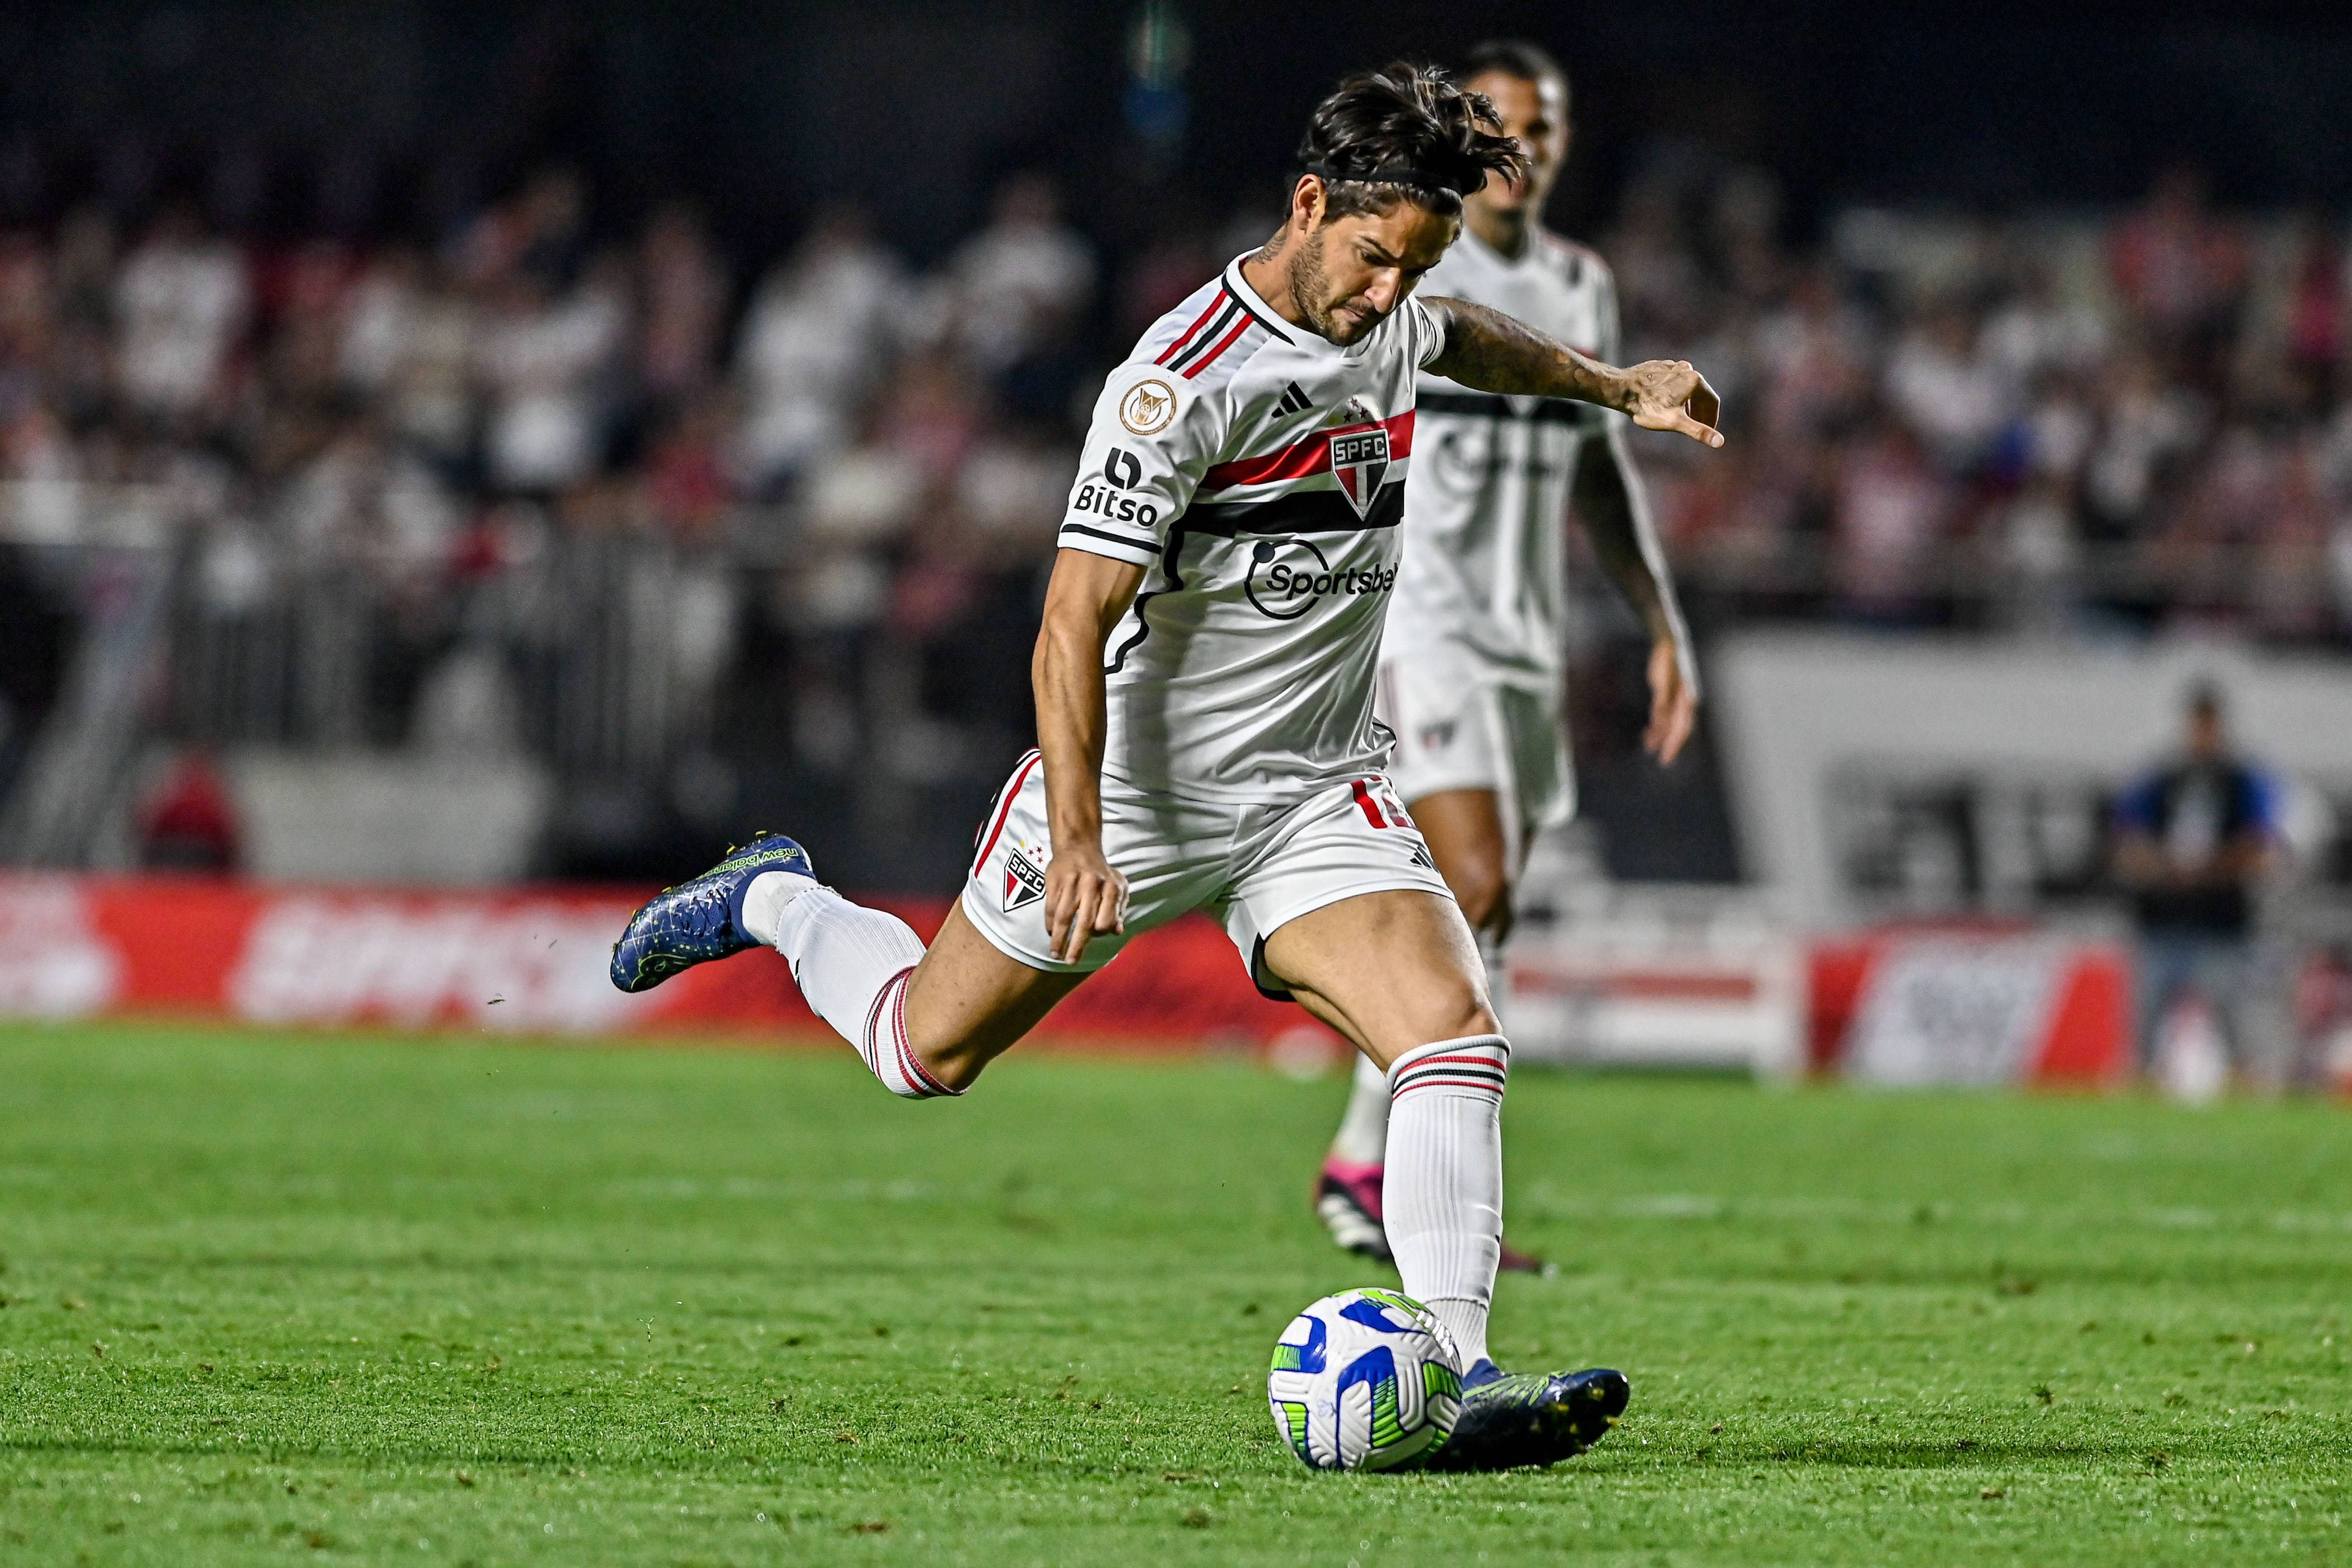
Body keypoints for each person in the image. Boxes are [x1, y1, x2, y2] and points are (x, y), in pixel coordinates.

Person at [610, 63, 1723, 1470]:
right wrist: (1077, 837)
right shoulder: (1180, 386)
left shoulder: (1387, 310)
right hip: (1136, 798)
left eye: (1415, 265)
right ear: (1309, 204)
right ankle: (774, 900)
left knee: (1453, 1038)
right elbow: (1070, 624)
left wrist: (1617, 386)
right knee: (919, 1053)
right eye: (1377, 259)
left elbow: (1458, 341)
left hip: (1315, 789)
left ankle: (1455, 1373)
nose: (1389, 295)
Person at [1315, 43, 1700, 1269]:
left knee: (1493, 910)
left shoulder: (1582, 286)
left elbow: (1598, 467)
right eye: (1508, 121)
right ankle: (1367, 1172)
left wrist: (1658, 624)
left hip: (1526, 640)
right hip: (1421, 629)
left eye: (1549, 122)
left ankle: (1382, 1162)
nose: (1528, 145)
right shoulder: (1401, 268)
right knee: (1469, 883)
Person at [2112, 682, 2287, 1089]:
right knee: (2144, 1029)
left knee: (2234, 1023)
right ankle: (2142, 1089)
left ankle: (2241, 1087)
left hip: (2222, 922)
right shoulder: (2161, 779)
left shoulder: (2242, 781)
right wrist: (2165, 868)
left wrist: (2204, 872)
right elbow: (2128, 843)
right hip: (2162, 920)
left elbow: (2261, 847)